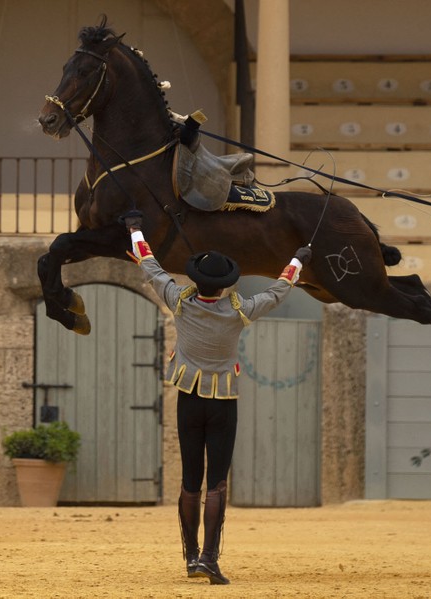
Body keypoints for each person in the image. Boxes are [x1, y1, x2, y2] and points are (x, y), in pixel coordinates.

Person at [122, 210, 309, 585]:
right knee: (217, 483)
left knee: (191, 481)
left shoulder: (179, 301)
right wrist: (297, 261)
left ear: (197, 280)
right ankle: (209, 556)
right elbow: (278, 291)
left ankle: (191, 557)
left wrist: (135, 228)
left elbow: (150, 265)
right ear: (224, 285)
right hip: (223, 402)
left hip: (189, 399)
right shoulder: (238, 312)